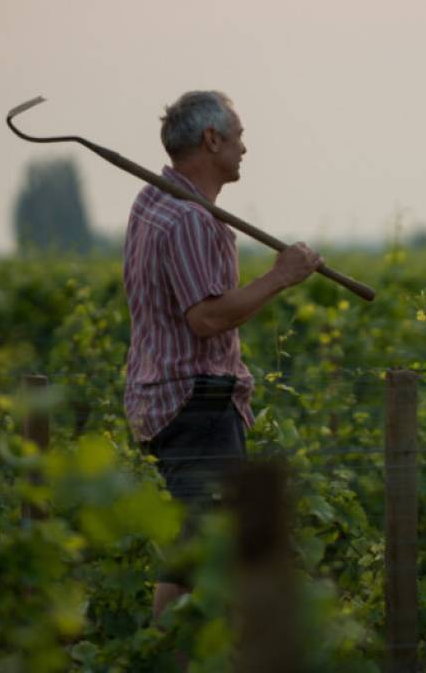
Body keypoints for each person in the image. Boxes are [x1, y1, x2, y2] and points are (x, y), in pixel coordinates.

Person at [122, 90, 323, 645]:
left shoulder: (154, 201)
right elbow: (206, 319)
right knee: (207, 556)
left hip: (171, 401)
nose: (244, 148)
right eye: (237, 136)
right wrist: (280, 276)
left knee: (193, 554)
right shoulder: (189, 218)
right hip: (197, 404)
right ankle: (186, 659)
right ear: (211, 140)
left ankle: (185, 657)